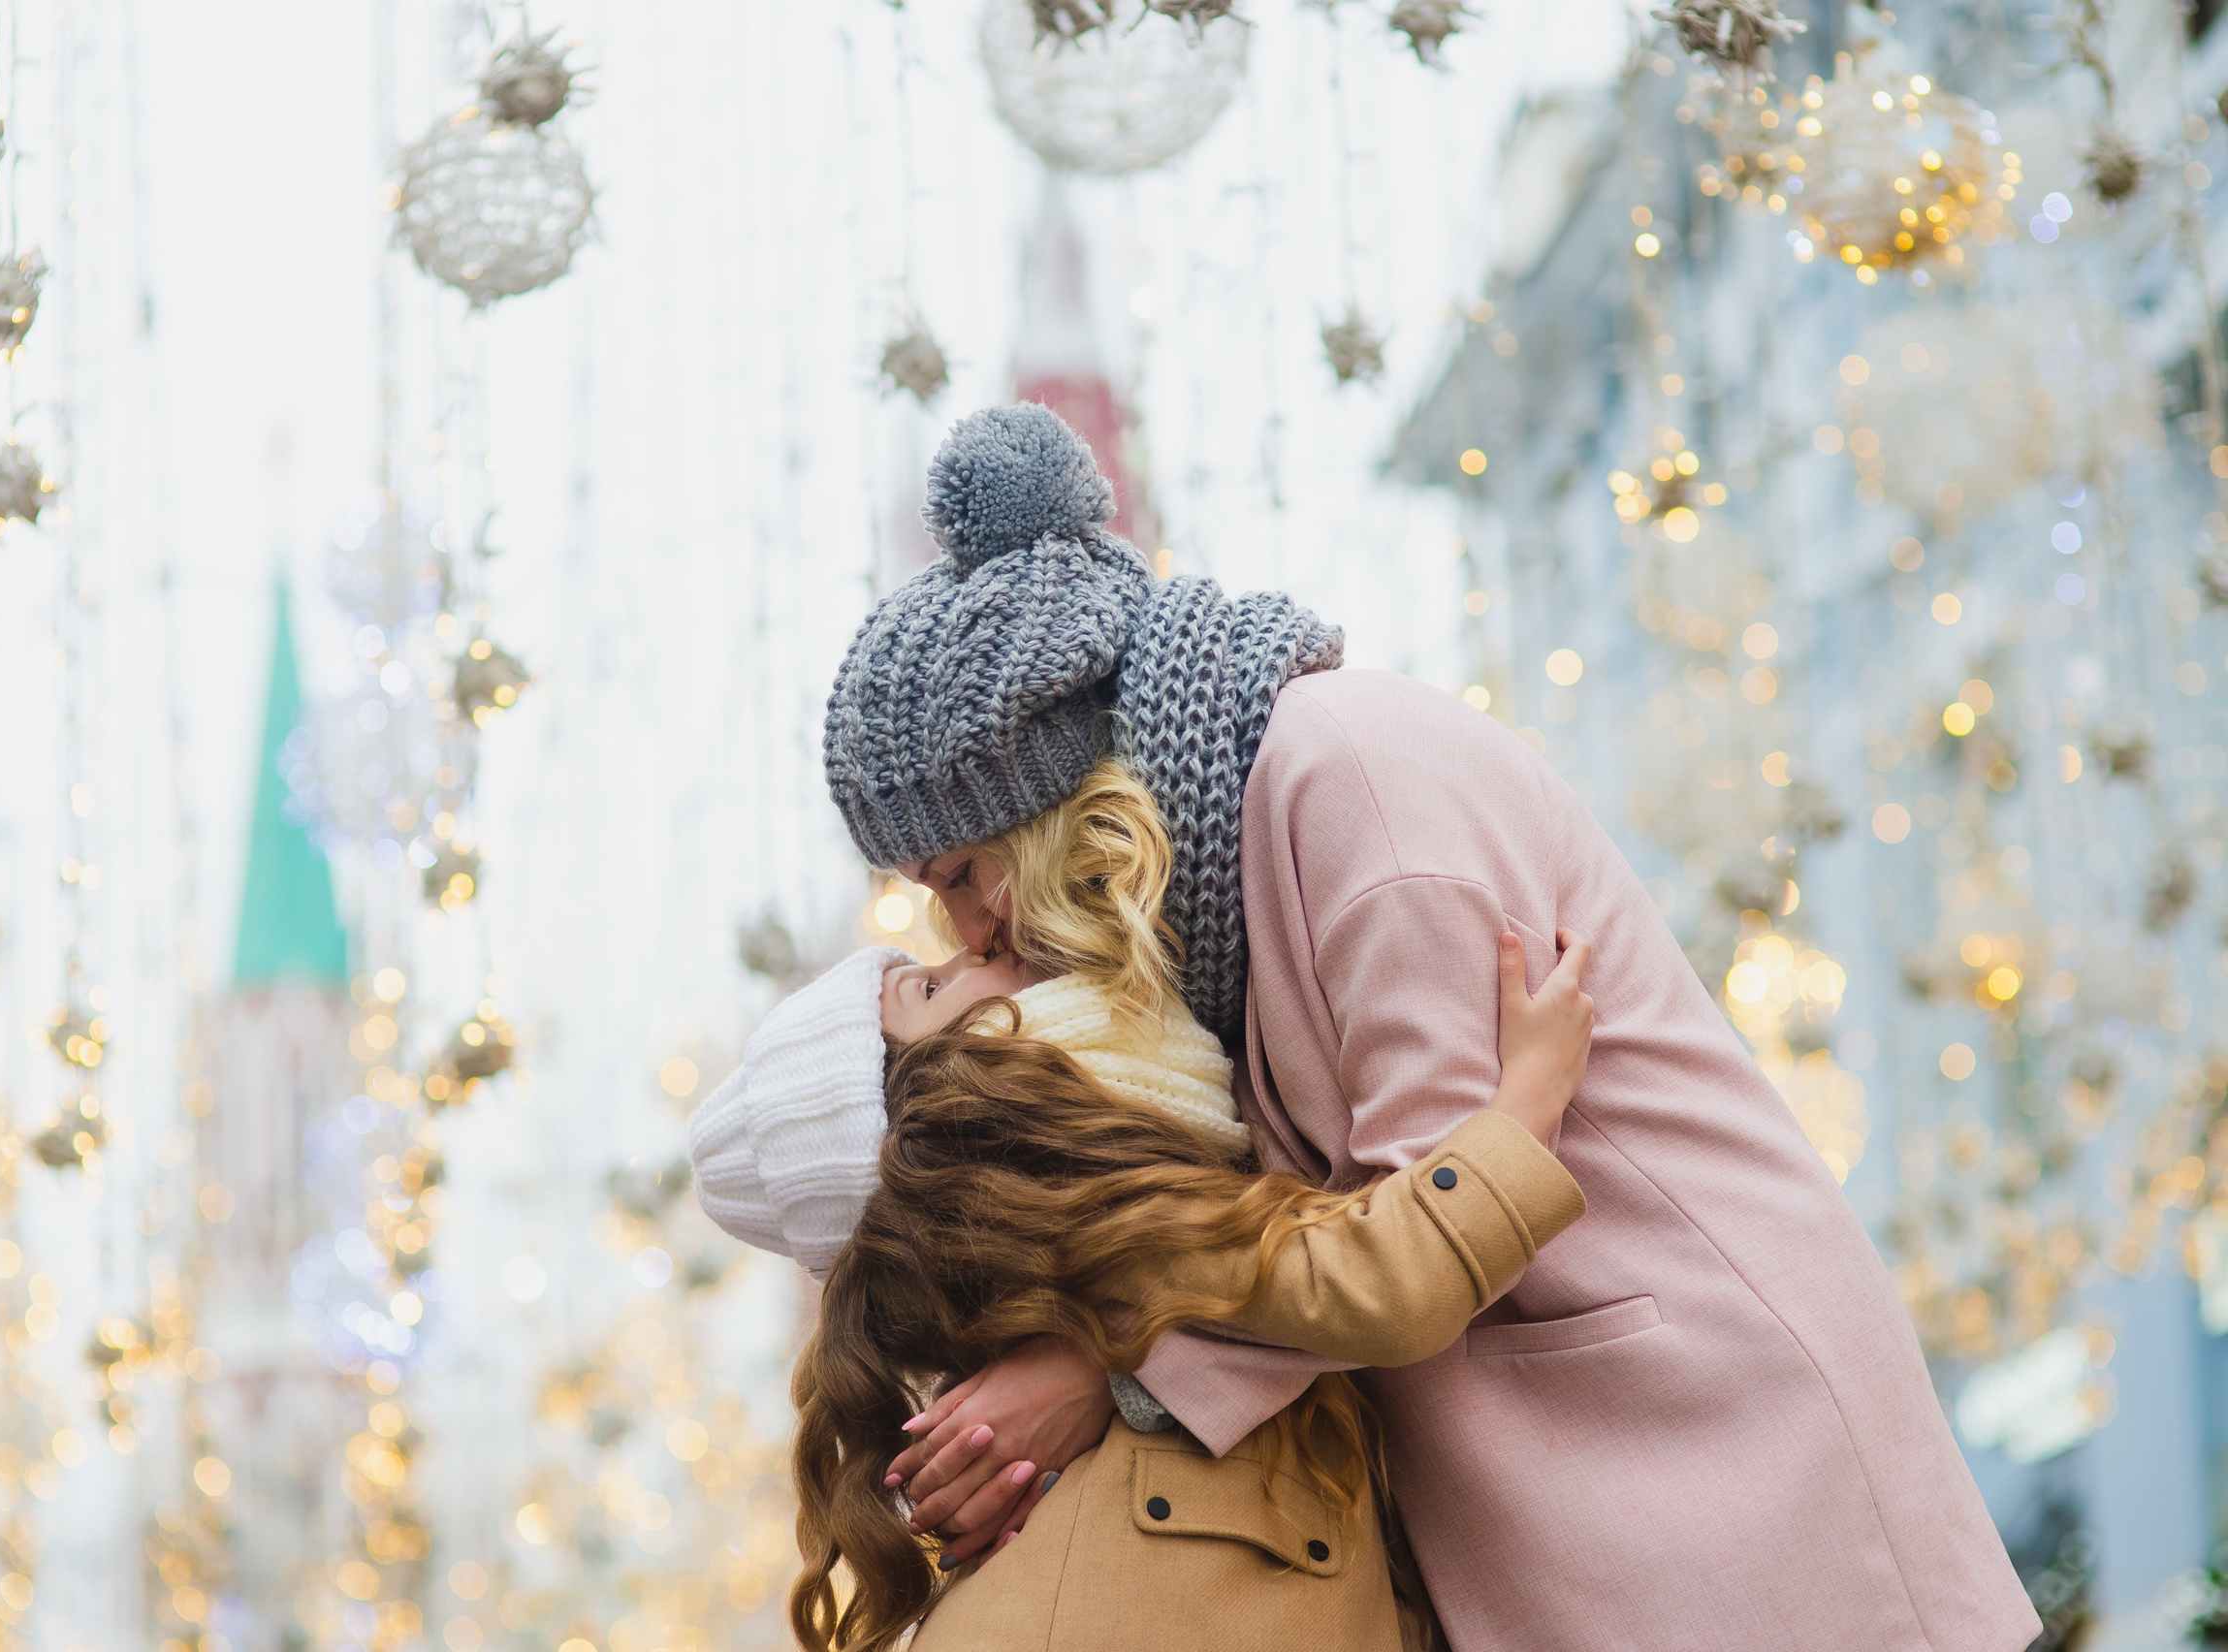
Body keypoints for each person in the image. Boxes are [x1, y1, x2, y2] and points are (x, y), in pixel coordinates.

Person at [804, 403, 2039, 1651]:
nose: (963, 932)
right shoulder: (1205, 895)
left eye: (960, 873)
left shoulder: (1356, 787)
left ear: (1049, 807)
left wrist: (1111, 1371)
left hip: (1697, 1418)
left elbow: (1420, 1211)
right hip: (1560, 1455)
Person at [689, 917, 1596, 1652]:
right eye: (928, 989)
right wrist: (1528, 1102)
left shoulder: (1090, 1234)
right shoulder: (1103, 1218)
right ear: (928, 1102)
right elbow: (1379, 1281)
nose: (978, 945)